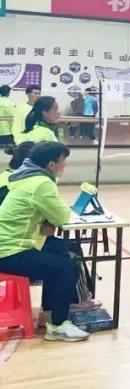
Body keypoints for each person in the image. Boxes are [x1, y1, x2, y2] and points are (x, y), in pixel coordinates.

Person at [0, 142, 89, 341]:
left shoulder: (26, 177)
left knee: (57, 250)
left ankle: (49, 315)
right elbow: (63, 217)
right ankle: (58, 327)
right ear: (51, 164)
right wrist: (51, 219)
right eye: (63, 161)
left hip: (10, 245)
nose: (65, 165)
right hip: (9, 252)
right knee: (68, 268)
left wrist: (47, 221)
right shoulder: (42, 183)